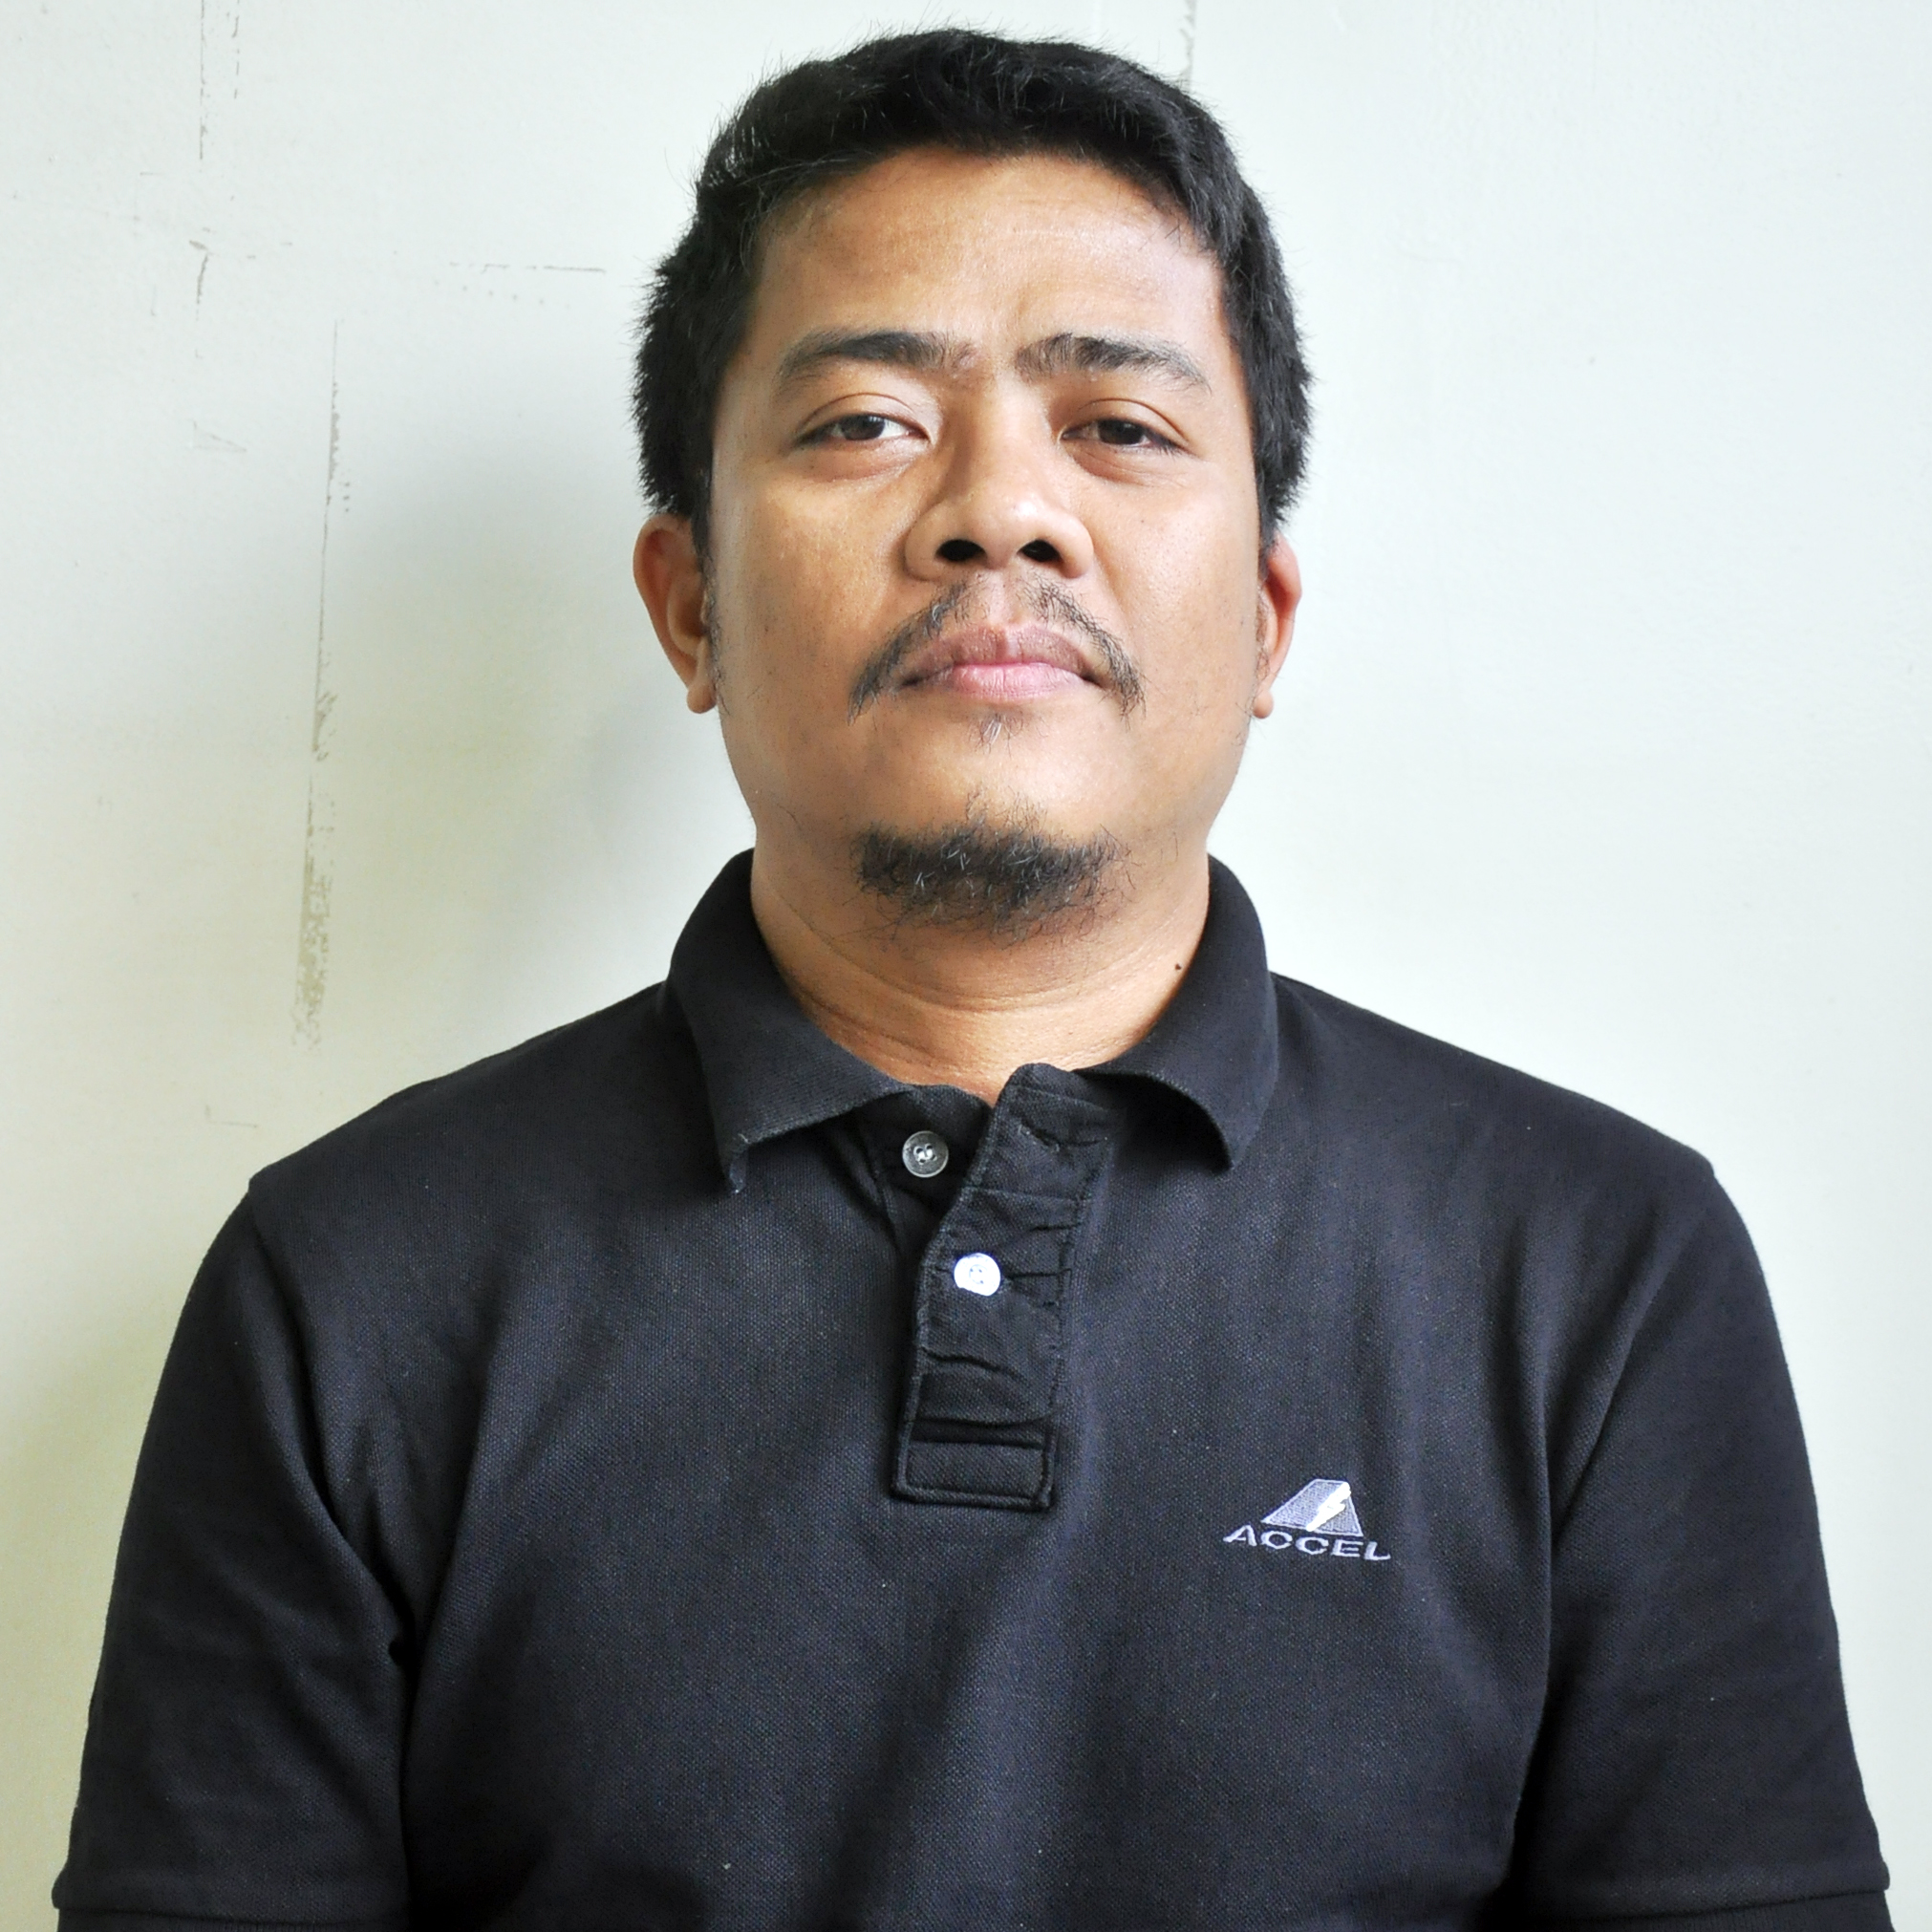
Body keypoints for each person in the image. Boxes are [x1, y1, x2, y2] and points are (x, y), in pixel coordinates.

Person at [56, 30, 1889, 1932]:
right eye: (865, 421)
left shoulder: (1596, 1271)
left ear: (1264, 620)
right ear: (688, 604)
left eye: (1120, 427)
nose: (1000, 509)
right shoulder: (353, 1283)